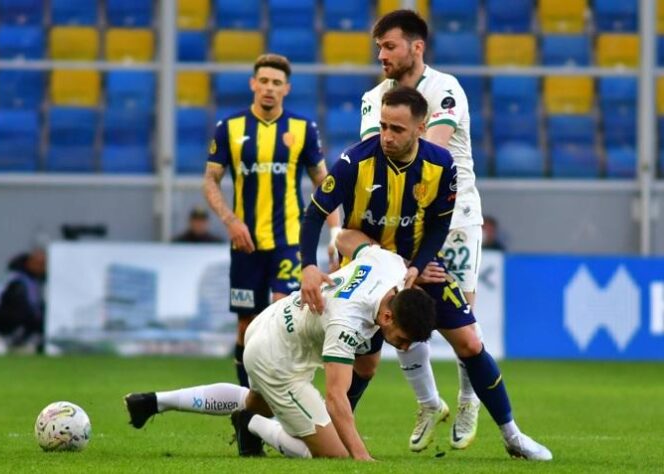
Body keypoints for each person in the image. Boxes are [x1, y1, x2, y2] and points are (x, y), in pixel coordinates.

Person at [300, 86, 552, 461]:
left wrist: (418, 266)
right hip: (368, 271)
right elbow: (315, 213)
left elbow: (438, 226)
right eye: (383, 126)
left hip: (419, 267)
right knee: (366, 365)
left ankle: (512, 435)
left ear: (420, 128)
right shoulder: (355, 161)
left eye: (397, 129)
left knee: (470, 342)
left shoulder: (441, 165)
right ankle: (328, 438)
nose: (386, 136)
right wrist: (308, 265)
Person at [124, 237, 437, 460]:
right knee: (336, 454)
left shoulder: (391, 265)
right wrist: (362, 458)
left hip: (271, 322)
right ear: (387, 316)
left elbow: (345, 237)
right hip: (278, 361)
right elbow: (335, 398)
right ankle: (250, 423)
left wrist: (335, 242)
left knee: (255, 401)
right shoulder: (347, 321)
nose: (403, 346)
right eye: (403, 339)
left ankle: (153, 402)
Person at [355, 9, 487, 450]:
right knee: (401, 307)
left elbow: (432, 154)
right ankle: (428, 402)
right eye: (379, 47)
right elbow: (371, 160)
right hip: (400, 221)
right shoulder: (374, 98)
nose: (381, 55)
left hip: (455, 216)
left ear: (417, 47)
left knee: (463, 315)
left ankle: (468, 399)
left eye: (389, 46)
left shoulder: (444, 89)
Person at [203, 53, 340, 388]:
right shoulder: (230, 128)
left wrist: (335, 231)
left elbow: (324, 184)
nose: (269, 88)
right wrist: (231, 221)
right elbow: (210, 180)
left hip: (289, 242)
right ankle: (246, 400)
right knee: (246, 326)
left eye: (276, 83)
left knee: (282, 319)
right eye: (263, 81)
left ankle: (281, 398)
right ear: (253, 84)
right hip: (246, 245)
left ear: (286, 89)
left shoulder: (303, 129)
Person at [0, 247, 46, 354]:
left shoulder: (36, 279)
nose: (41, 267)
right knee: (25, 311)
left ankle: (22, 342)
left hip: (17, 313)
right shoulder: (18, 279)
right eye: (39, 264)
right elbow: (11, 301)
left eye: (43, 264)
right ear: (29, 262)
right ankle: (3, 339)